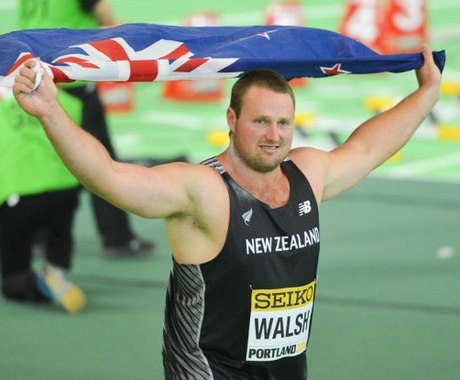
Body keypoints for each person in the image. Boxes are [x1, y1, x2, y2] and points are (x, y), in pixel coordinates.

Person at [13, 44, 441, 378]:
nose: (274, 136)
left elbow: (366, 148)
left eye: (284, 123)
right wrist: (51, 110)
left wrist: (426, 94)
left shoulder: (307, 175)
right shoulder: (204, 190)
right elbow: (108, 176)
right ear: (231, 119)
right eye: (260, 122)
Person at [18, 0, 154, 258]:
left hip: (35, 74)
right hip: (70, 77)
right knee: (100, 159)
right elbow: (100, 9)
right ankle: (117, 237)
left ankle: (37, 237)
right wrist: (122, 32)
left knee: (45, 162)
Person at [0, 90, 85, 314]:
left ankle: (41, 284)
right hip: (63, 189)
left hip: (18, 193)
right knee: (60, 240)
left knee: (13, 278)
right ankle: (56, 273)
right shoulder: (66, 102)